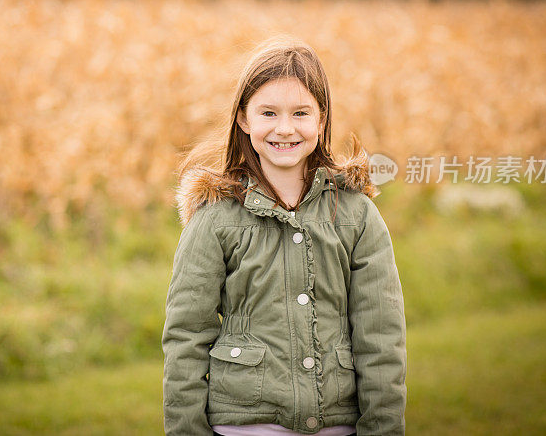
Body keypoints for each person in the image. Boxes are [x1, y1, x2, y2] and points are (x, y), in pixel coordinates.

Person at [162, 36, 406, 436]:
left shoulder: (357, 215)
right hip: (244, 424)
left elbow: (381, 336)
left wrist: (382, 428)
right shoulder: (215, 219)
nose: (285, 128)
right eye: (268, 113)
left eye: (301, 113)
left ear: (322, 119)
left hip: (336, 422)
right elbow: (186, 337)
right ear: (244, 119)